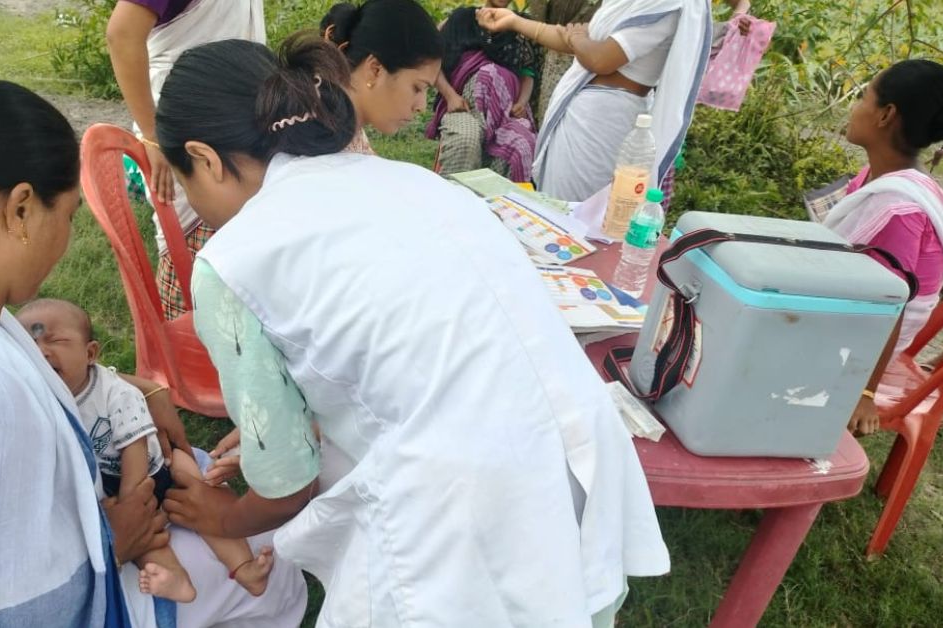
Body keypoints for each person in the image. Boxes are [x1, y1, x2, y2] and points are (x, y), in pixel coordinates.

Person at [153, 35, 670, 626]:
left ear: (205, 158)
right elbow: (407, 343)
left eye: (184, 181)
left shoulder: (234, 259)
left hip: (463, 499)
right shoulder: (407, 181)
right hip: (574, 442)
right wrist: (279, 429)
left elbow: (286, 489)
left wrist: (218, 519)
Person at [0, 71, 308, 627]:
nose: (66, 240)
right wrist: (115, 542)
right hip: (63, 589)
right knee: (273, 570)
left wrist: (145, 389)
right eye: (67, 216)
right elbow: (26, 610)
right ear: (20, 209)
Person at [16, 299, 275, 601]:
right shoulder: (41, 401)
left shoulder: (117, 392)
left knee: (197, 488)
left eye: (56, 341)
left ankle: (244, 568)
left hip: (154, 469)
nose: (42, 352)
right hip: (109, 486)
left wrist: (132, 503)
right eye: (29, 347)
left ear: (90, 353)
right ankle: (176, 581)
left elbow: (134, 448)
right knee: (145, 542)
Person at [106, 0, 265, 320]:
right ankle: (181, 352)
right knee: (188, 252)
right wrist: (153, 137)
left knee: (242, 248)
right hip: (183, 131)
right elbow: (122, 35)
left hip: (240, 122)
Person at [826, 59, 943, 437]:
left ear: (886, 115)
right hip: (858, 319)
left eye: (864, 96)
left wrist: (863, 390)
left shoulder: (899, 209)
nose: (855, 108)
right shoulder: (887, 181)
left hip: (867, 340)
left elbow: (890, 306)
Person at [478, 0, 712, 202]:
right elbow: (573, 39)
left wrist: (579, 39)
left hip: (604, 122)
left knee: (576, 215)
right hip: (582, 115)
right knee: (554, 206)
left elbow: (600, 59)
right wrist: (513, 21)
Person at [427, 2, 539, 181]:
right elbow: (432, 62)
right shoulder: (461, 19)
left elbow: (527, 73)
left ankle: (501, 205)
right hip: (463, 108)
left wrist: (522, 102)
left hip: (506, 114)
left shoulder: (519, 26)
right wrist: (450, 96)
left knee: (523, 145)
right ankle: (453, 200)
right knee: (466, 140)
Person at [319, 0, 444, 154]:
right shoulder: (315, 144)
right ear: (375, 70)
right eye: (417, 88)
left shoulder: (337, 131)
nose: (421, 106)